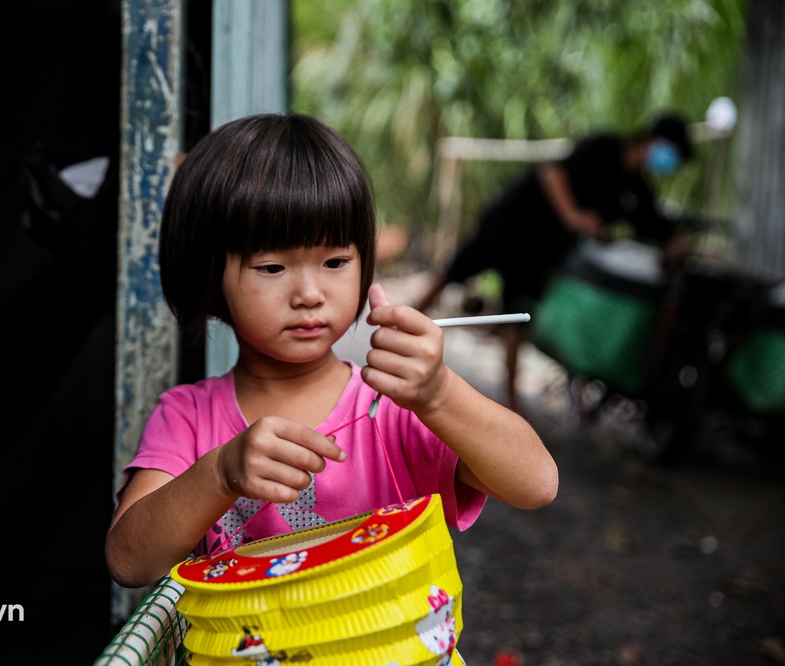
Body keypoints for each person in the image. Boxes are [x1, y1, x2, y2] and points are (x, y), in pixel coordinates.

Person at [106, 113, 558, 589]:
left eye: (335, 261)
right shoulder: (189, 417)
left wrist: (440, 393)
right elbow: (128, 562)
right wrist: (219, 474)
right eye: (273, 266)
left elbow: (538, 484)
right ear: (208, 273)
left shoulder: (393, 407)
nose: (309, 293)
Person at [414, 113, 694, 412]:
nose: (669, 161)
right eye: (670, 152)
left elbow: (657, 230)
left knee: (515, 313)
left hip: (542, 247)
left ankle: (511, 401)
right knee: (454, 272)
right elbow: (553, 174)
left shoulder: (638, 190)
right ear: (650, 139)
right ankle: (399, 326)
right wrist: (573, 214)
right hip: (516, 217)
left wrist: (675, 247)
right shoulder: (605, 147)